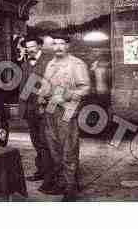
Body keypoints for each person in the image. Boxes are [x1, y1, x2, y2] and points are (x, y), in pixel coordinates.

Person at [38, 34, 90, 202]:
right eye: (55, 44)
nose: (58, 47)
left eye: (62, 43)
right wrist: (41, 97)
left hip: (68, 110)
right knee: (54, 148)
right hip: (50, 109)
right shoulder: (50, 64)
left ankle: (71, 188)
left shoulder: (76, 64)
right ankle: (61, 182)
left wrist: (66, 97)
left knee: (69, 149)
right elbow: (45, 84)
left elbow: (85, 88)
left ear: (68, 46)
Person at [19, 36, 53, 188]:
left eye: (32, 46)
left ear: (40, 46)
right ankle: (40, 171)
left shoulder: (49, 62)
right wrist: (22, 110)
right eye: (27, 47)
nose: (30, 49)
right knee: (37, 143)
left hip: (44, 109)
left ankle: (49, 178)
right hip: (30, 111)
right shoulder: (25, 64)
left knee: (46, 144)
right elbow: (23, 88)